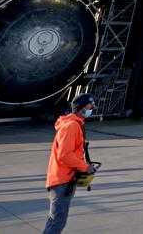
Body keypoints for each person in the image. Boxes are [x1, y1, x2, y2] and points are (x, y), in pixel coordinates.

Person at [43, 93, 100, 234]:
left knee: (54, 221)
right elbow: (64, 155)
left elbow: (71, 153)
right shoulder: (71, 126)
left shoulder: (75, 125)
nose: (93, 107)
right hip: (61, 182)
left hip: (64, 180)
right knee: (57, 223)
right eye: (90, 105)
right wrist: (85, 167)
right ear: (81, 108)